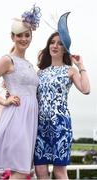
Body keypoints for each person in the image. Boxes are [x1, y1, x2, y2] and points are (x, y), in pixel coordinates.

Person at [0, 5, 41, 179]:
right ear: (12, 37)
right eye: (19, 35)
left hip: (30, 120)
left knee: (22, 170)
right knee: (21, 172)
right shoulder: (7, 60)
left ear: (31, 36)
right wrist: (4, 101)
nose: (23, 39)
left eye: (27, 35)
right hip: (17, 118)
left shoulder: (30, 64)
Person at [34, 12, 90, 179]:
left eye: (59, 43)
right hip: (39, 127)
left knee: (59, 172)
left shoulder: (70, 70)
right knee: (40, 172)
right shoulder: (39, 73)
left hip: (60, 126)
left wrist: (81, 65)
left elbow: (86, 89)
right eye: (52, 42)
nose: (55, 46)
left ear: (65, 47)